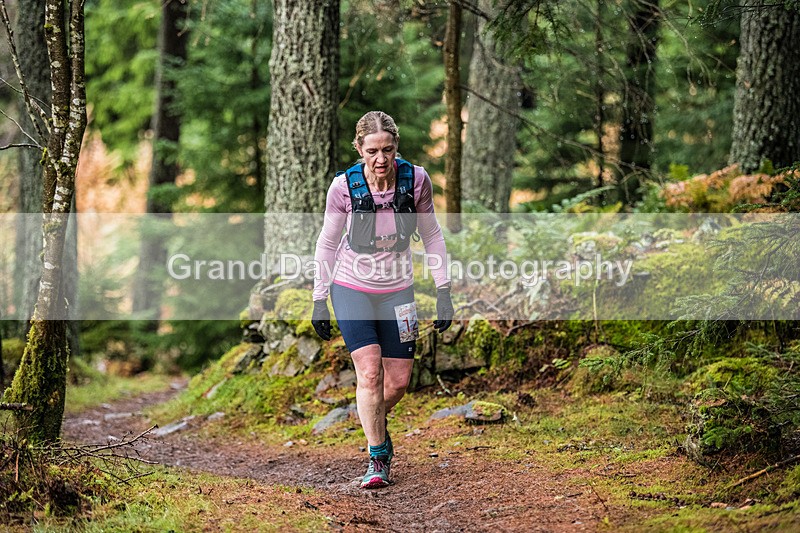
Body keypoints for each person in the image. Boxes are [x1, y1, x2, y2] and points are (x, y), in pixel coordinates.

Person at [311, 111, 454, 489]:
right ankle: (378, 457)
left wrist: (443, 290)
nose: (380, 159)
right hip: (350, 286)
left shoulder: (416, 179)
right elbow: (327, 244)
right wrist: (319, 298)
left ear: (396, 147)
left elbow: (432, 235)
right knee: (370, 372)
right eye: (372, 150)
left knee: (399, 382)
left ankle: (371, 419)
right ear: (359, 149)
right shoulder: (343, 187)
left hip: (399, 290)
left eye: (387, 149)